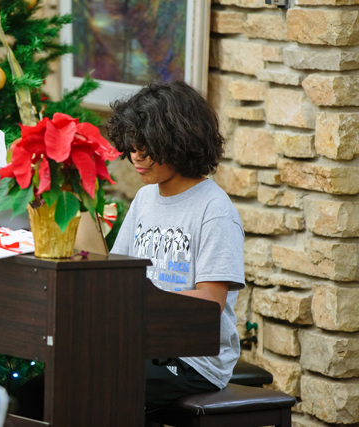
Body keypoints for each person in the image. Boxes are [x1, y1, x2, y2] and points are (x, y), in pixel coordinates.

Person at [107, 80, 245, 415]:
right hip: (143, 345)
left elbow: (211, 302)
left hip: (194, 361)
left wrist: (144, 302)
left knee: (101, 385)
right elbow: (117, 274)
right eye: (132, 145)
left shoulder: (214, 209)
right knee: (44, 387)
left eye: (146, 146)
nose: (136, 156)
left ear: (180, 142)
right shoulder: (144, 199)